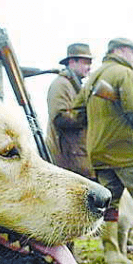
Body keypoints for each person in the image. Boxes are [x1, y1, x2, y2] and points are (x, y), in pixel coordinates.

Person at [75, 38, 133, 264]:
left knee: (111, 203)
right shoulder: (124, 73)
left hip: (99, 150)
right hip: (126, 150)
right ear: (119, 51)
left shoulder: (94, 76)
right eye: (132, 52)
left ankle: (112, 252)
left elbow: (78, 112)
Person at [46, 42, 93, 177]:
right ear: (72, 62)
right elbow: (60, 118)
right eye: (85, 63)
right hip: (68, 159)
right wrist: (86, 114)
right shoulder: (61, 84)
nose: (89, 67)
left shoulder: (75, 85)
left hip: (78, 157)